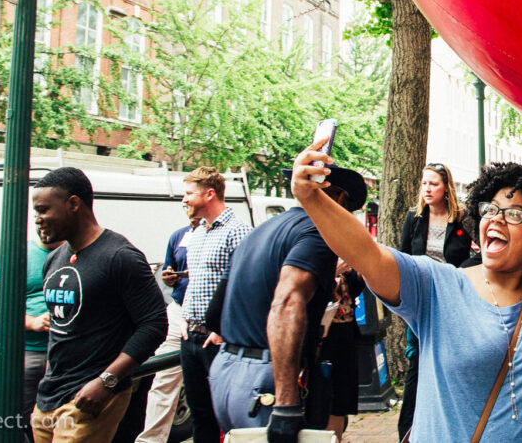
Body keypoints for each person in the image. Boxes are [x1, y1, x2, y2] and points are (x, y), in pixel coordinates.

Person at [291, 74, 522, 441]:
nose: (497, 219)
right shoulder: (436, 287)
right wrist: (311, 198)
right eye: (489, 209)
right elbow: (365, 252)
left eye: (515, 213)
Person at [206, 166, 366, 442]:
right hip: (268, 383)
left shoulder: (260, 231)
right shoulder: (319, 233)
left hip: (227, 375)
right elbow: (287, 302)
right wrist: (286, 403)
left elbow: (214, 314)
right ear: (339, 199)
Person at [30, 167, 168, 443]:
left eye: (44, 210)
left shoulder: (120, 256)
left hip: (90, 396)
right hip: (50, 395)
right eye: (36, 212)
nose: (38, 220)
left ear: (73, 204)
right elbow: (61, 327)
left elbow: (154, 325)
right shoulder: (54, 258)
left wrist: (107, 382)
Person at [395, 161, 471, 440]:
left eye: (434, 184)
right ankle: (407, 429)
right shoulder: (414, 218)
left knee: (448, 356)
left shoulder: (462, 219)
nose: (427, 189)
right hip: (420, 298)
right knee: (417, 358)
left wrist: (457, 274)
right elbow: (403, 256)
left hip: (451, 297)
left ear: (445, 187)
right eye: (424, 183)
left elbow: (473, 257)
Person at [178, 167, 251, 443]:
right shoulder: (196, 233)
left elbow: (244, 285)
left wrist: (223, 329)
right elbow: (196, 282)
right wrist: (185, 320)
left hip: (220, 340)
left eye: (188, 193)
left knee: (229, 414)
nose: (184, 199)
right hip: (191, 337)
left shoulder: (238, 231)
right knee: (200, 415)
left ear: (209, 194)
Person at [0, 227, 63, 441]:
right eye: (38, 213)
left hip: (65, 354)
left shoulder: (76, 253)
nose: (42, 222)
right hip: (25, 352)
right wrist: (31, 322)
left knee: (58, 425)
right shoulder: (16, 255)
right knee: (9, 421)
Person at [135, 217, 195, 443]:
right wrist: (168, 278)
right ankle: (150, 440)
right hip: (178, 308)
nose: (185, 200)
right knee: (163, 377)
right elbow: (167, 274)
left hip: (206, 314)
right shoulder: (178, 236)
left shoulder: (227, 233)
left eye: (190, 195)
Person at [317, 260, 365, 439]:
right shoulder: (311, 249)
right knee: (322, 400)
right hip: (321, 340)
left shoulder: (340, 251)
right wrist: (331, 271)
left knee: (339, 402)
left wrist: (358, 272)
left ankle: (336, 438)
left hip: (345, 334)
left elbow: (355, 288)